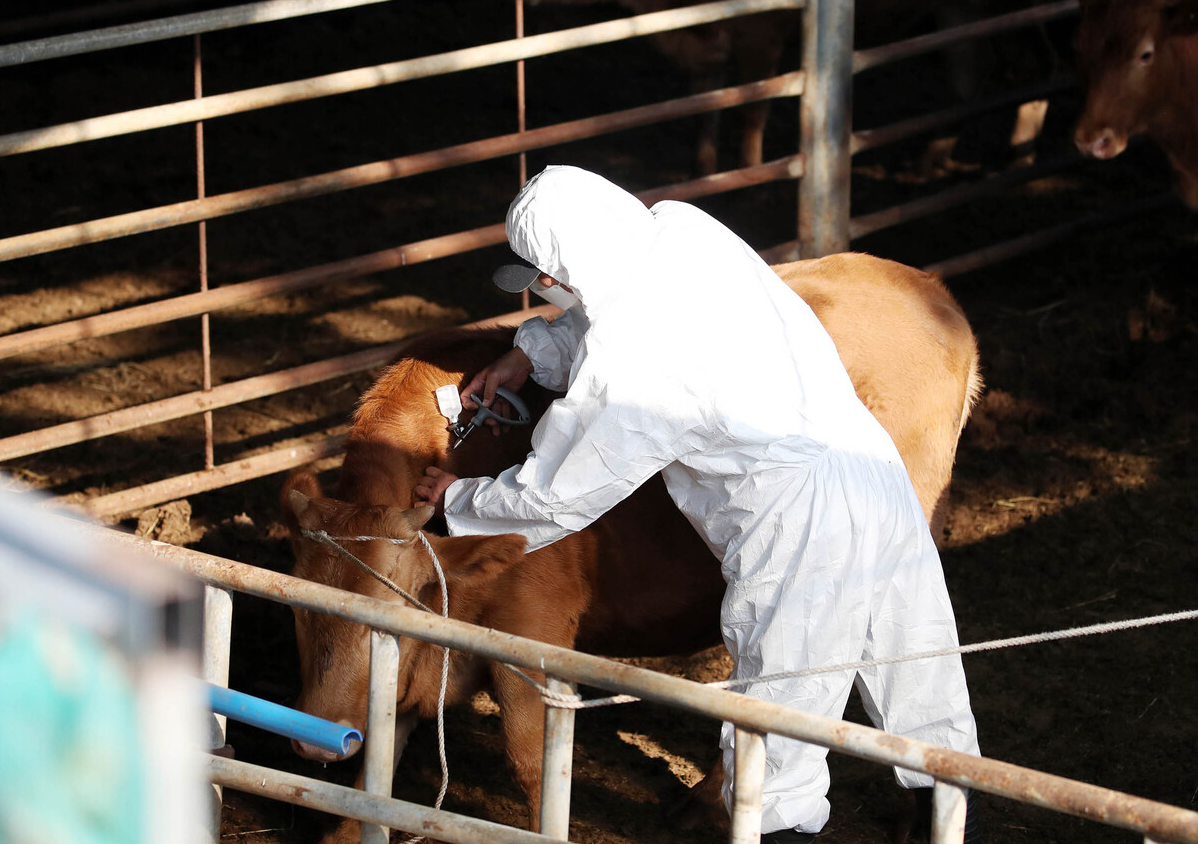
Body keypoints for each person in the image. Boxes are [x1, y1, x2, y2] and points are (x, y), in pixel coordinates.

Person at [414, 165, 980, 843]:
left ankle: (773, 832)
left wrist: (463, 496)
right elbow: (619, 303)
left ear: (573, 270)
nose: (543, 291)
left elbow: (561, 493)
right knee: (914, 653)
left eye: (545, 279)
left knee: (780, 711)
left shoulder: (632, 367)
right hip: (867, 461)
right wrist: (531, 354)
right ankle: (943, 822)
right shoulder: (681, 228)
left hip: (794, 519)